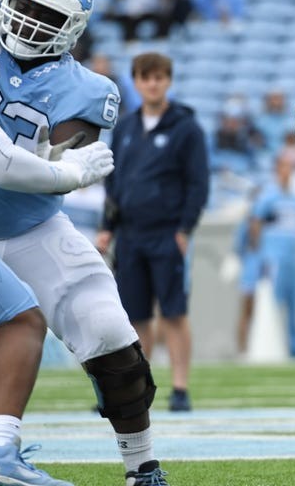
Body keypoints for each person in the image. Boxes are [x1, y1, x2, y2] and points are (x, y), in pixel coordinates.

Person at [0, 0, 170, 486]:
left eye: (45, 14)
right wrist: (67, 172)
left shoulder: (90, 89)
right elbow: (39, 169)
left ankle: (141, 466)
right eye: (25, 5)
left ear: (73, 28)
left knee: (108, 333)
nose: (29, 20)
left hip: (33, 230)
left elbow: (61, 161)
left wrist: (67, 169)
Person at [96, 52, 210, 413]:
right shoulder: (127, 128)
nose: (153, 83)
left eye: (159, 77)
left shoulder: (185, 126)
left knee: (173, 312)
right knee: (134, 317)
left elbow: (198, 183)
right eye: (146, 77)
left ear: (168, 81)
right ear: (136, 81)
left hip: (166, 233)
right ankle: (137, 389)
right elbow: (114, 185)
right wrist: (107, 228)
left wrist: (185, 228)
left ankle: (180, 388)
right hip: (129, 234)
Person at [245, 152, 295, 358]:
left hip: (294, 256)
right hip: (275, 256)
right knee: (273, 300)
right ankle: (272, 344)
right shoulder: (268, 196)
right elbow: (255, 222)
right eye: (284, 167)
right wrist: (260, 252)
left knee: (294, 303)